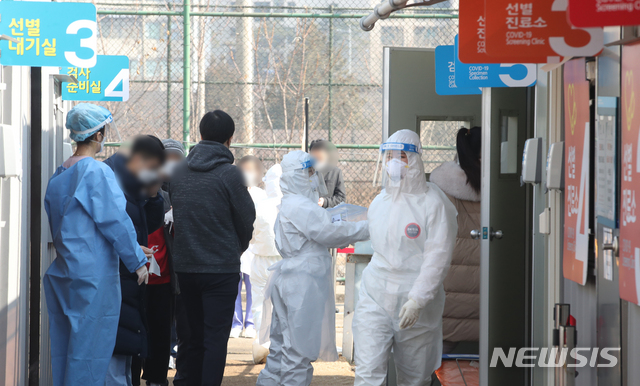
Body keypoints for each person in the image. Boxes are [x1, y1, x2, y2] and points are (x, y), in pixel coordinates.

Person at [43, 103, 149, 386]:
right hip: (93, 276)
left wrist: (136, 248)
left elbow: (78, 225)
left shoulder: (58, 174)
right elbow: (115, 220)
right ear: (99, 134)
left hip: (65, 272)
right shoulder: (96, 172)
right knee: (90, 352)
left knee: (66, 350)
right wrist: (137, 260)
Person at [352, 129, 458, 386]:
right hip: (374, 295)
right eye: (389, 156)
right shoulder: (380, 201)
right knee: (367, 372)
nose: (393, 162)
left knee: (414, 377)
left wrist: (417, 300)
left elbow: (438, 257)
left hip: (415, 301)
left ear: (415, 160)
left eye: (401, 156)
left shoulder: (434, 203)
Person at [256, 150, 370, 386]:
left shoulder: (290, 203)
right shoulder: (301, 206)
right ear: (296, 176)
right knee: (299, 351)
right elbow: (329, 233)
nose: (313, 178)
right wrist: (368, 228)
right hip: (302, 283)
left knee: (281, 349)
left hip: (290, 278)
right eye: (308, 172)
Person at [169, 110, 256, 386]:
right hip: (220, 269)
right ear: (230, 139)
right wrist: (235, 247)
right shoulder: (230, 175)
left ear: (201, 134)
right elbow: (247, 218)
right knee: (215, 339)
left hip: (185, 267)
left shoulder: (178, 172)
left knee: (190, 336)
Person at [104, 135, 167, 386]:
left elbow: (148, 223)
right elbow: (109, 230)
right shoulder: (109, 180)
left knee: (128, 346)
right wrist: (130, 251)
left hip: (130, 274)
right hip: (116, 275)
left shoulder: (133, 181)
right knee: (118, 352)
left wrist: (154, 196)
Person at [134, 138, 186, 386]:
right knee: (137, 326)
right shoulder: (136, 191)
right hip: (138, 271)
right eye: (167, 159)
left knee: (162, 328)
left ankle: (156, 376)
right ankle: (135, 372)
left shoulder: (185, 189)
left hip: (165, 275)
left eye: (177, 159)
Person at [429, 127, 481, 354]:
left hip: (451, 281)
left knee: (444, 350)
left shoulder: (440, 186)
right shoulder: (501, 184)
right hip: (490, 281)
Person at [230, 156, 268, 339]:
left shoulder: (262, 195)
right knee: (234, 286)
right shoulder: (232, 191)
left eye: (253, 170)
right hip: (236, 246)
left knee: (253, 285)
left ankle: (251, 323)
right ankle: (236, 323)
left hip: (255, 247)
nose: (248, 173)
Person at [249, 164, 283, 364]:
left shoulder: (260, 206)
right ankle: (282, 347)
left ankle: (263, 345)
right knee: (285, 305)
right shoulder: (294, 206)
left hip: (261, 260)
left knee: (260, 304)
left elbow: (251, 236)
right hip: (285, 261)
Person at [309, 139, 346, 208]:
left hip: (329, 213)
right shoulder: (303, 172)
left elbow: (341, 198)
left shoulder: (335, 172)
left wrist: (325, 202)